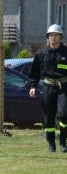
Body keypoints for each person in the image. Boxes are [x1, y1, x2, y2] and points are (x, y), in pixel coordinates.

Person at [27, 23, 67, 153]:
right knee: (48, 116)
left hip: (63, 87)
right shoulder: (42, 53)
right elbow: (34, 71)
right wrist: (33, 86)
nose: (53, 38)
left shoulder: (66, 52)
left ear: (60, 37)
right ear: (48, 37)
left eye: (55, 35)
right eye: (50, 35)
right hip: (48, 87)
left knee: (64, 114)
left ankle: (63, 142)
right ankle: (51, 144)